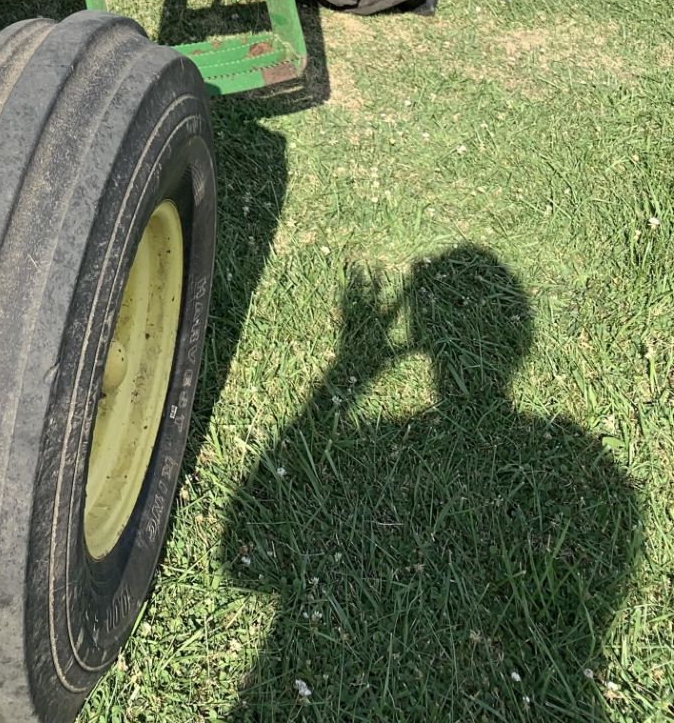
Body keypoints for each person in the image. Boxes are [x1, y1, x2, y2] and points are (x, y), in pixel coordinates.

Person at [222, 246, 639, 718]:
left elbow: (244, 548)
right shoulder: (588, 460)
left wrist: (351, 368)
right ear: (520, 340)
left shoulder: (379, 440)